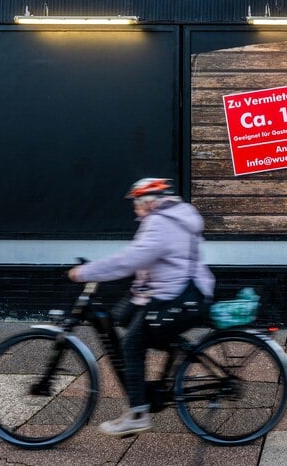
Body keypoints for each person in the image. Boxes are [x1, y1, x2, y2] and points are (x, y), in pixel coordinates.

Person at [68, 177, 215, 437]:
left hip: (176, 299)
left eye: (136, 204)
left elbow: (131, 260)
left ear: (148, 203)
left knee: (130, 344)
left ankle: (138, 413)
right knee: (120, 318)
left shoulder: (160, 223)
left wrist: (86, 272)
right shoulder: (175, 216)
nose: (135, 210)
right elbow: (151, 267)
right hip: (180, 294)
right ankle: (168, 357)